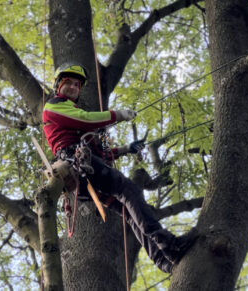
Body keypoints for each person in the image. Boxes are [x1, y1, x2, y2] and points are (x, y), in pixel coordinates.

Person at [43, 63, 198, 273]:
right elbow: (86, 119)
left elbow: (102, 154)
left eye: (76, 84)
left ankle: (162, 260)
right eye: (67, 82)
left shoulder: (75, 119)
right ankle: (170, 245)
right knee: (129, 190)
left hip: (84, 174)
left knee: (126, 209)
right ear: (58, 85)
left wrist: (127, 148)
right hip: (75, 163)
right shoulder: (54, 106)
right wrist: (118, 115)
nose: (72, 87)